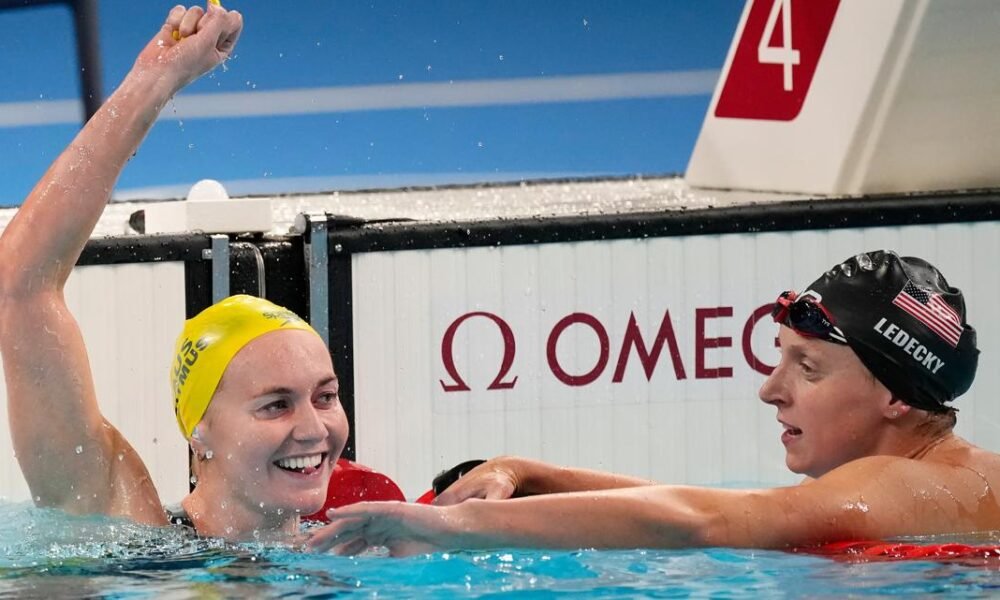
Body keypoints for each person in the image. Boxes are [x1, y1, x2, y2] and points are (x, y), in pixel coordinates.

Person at [309, 250, 1000, 556]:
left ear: (893, 395)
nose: (770, 388)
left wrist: (451, 528)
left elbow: (703, 524)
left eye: (807, 368)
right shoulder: (921, 480)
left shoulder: (903, 489)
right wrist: (530, 472)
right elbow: (722, 508)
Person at [0, 4, 350, 541]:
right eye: (275, 405)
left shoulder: (361, 540)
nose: (313, 430)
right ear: (199, 432)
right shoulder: (132, 533)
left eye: (325, 397)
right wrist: (155, 80)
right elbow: (20, 285)